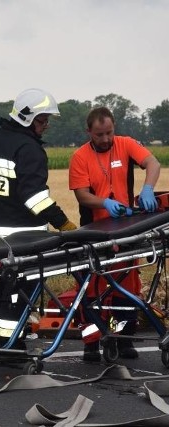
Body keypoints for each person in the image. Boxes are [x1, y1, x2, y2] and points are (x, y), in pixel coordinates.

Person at [0, 88, 77, 348]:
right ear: (28, 118)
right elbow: (35, 199)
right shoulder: (29, 149)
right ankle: (11, 345)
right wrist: (64, 224)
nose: (46, 126)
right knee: (19, 293)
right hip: (23, 238)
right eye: (43, 120)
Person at [69, 106, 160, 361]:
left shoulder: (125, 144)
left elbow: (152, 162)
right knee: (91, 290)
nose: (106, 139)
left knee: (127, 288)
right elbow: (81, 194)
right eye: (99, 135)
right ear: (89, 132)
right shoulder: (80, 157)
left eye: (109, 132)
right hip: (94, 232)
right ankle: (91, 343)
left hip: (127, 230)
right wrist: (104, 203)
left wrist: (148, 189)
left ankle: (123, 340)